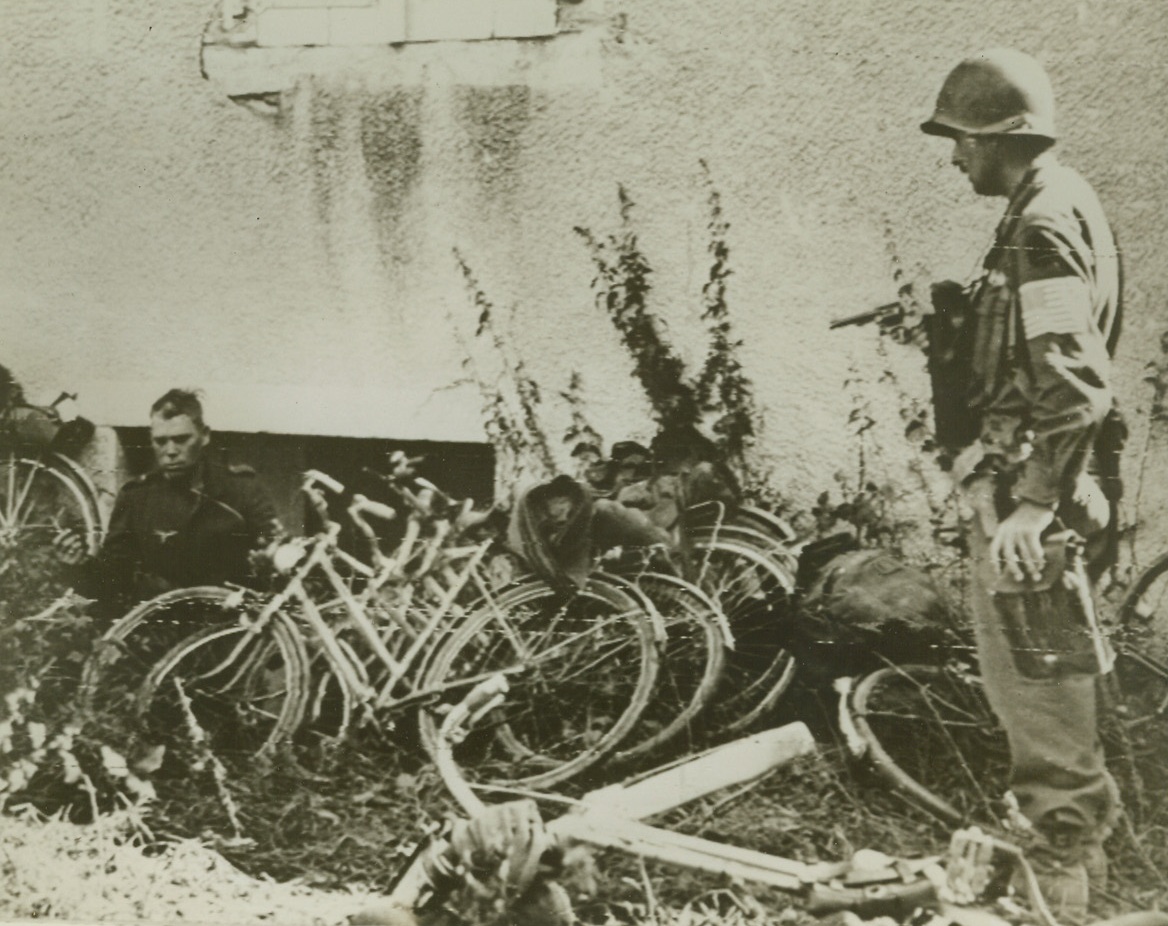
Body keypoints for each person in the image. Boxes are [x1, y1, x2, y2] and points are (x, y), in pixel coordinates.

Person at [917, 48, 1123, 917]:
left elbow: (1072, 387)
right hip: (1027, 484)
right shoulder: (1046, 208)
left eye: (959, 138)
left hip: (1030, 498)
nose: (954, 156)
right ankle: (1082, 863)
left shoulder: (1041, 224)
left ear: (1002, 138)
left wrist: (1033, 504)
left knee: (1038, 691)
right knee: (1049, 681)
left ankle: (1055, 879)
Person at [61, 389, 284, 608]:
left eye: (181, 439)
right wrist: (79, 565)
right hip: (163, 630)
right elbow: (113, 581)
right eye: (160, 441)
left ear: (204, 435)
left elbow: (277, 557)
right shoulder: (137, 497)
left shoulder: (240, 489)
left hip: (229, 630)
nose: (170, 451)